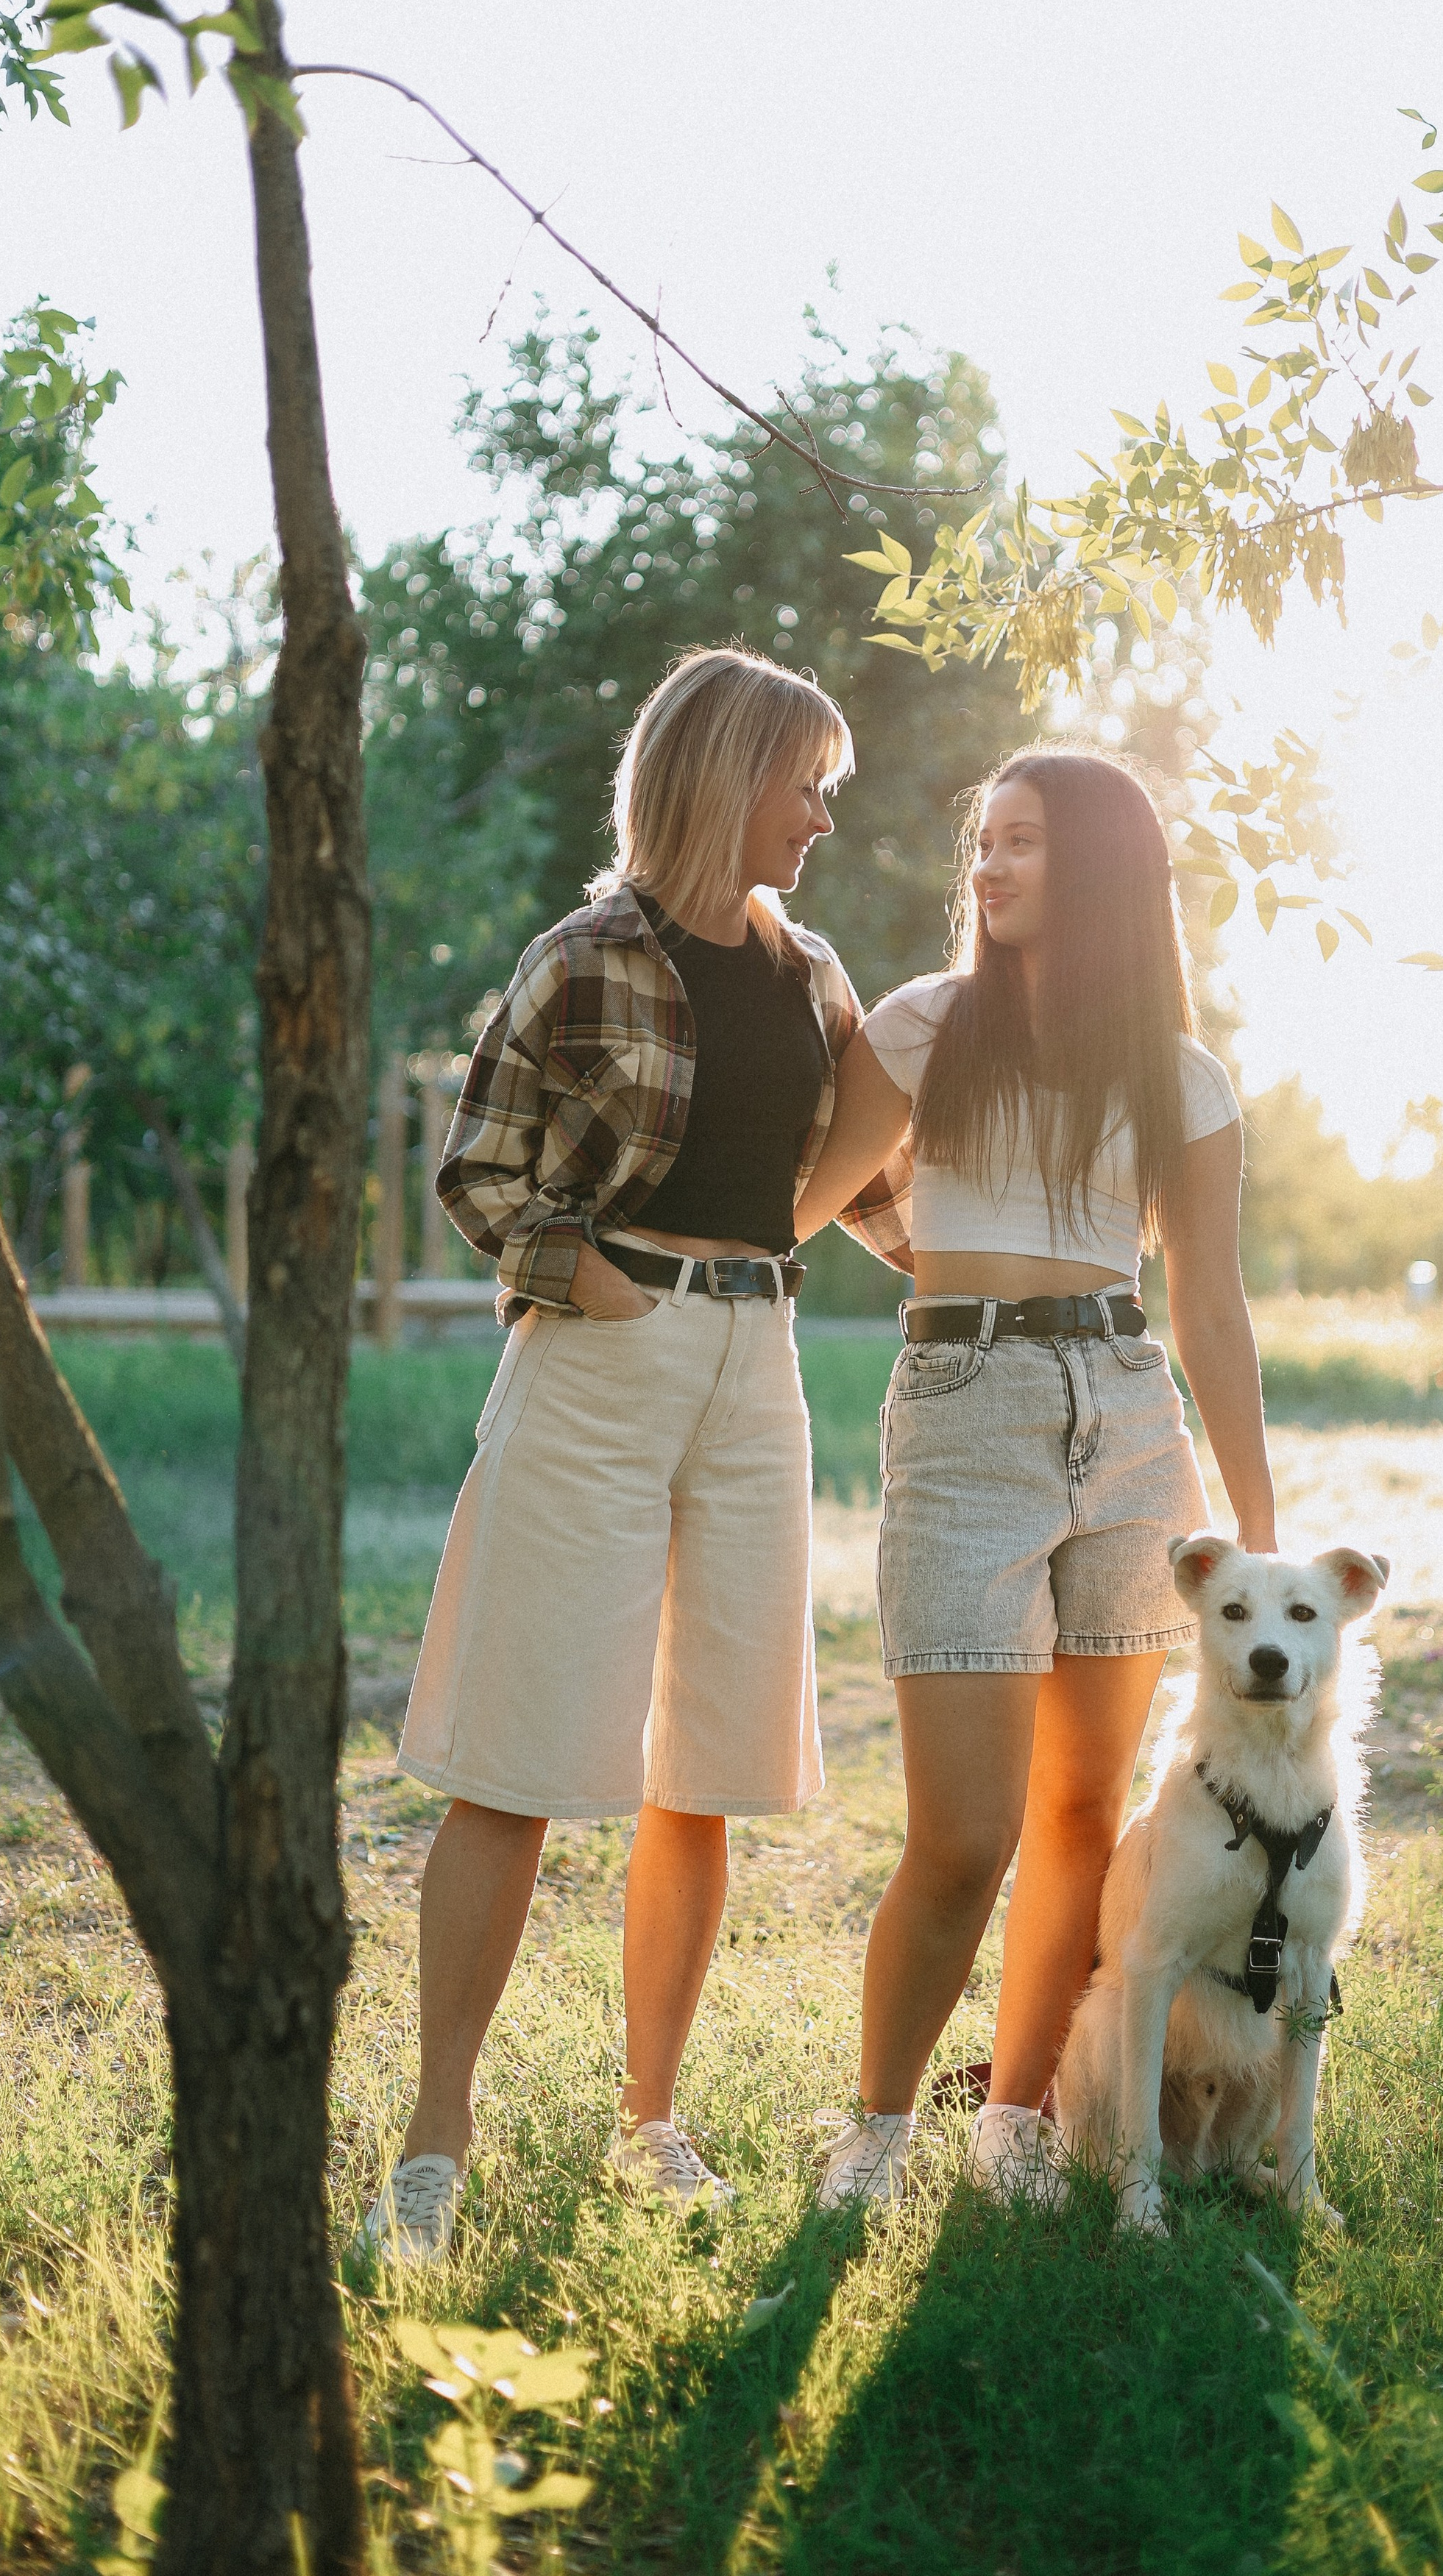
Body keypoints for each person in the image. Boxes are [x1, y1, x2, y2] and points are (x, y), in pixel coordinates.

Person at [360, 647, 907, 2261]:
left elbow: (872, 1191)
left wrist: (1029, 1271)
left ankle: (647, 2124)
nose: (820, 818)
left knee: (704, 1771)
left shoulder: (815, 975)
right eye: (804, 784)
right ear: (721, 777)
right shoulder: (581, 958)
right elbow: (477, 1170)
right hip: (600, 1363)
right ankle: (432, 2145)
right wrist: (585, 1274)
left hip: (756, 1371)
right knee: (515, 1762)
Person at [793, 745, 1277, 2207]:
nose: (988, 866)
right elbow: (796, 1204)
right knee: (962, 1835)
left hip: (1129, 1420)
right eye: (983, 843)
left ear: (1103, 868)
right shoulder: (923, 1025)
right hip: (963, 1413)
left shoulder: (1180, 1075)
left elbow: (1209, 1311)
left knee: (1080, 1819)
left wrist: (1257, 1529)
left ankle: (1013, 2119)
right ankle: (878, 2132)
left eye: (1022, 842)